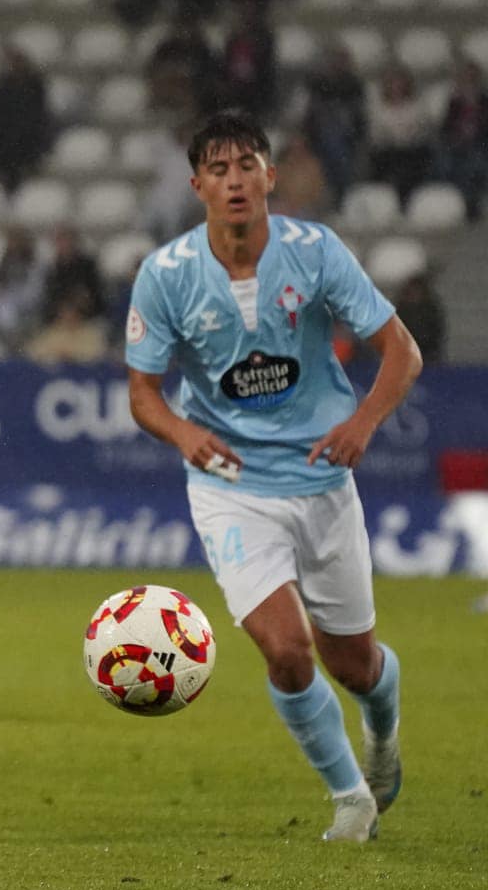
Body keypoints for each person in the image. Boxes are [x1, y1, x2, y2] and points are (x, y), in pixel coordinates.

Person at [125, 111, 422, 843]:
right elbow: (142, 395)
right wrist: (185, 433)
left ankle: (382, 731)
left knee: (353, 664)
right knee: (287, 651)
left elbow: (401, 352)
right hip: (232, 487)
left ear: (270, 176)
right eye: (220, 170)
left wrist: (360, 425)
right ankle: (350, 798)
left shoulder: (314, 251)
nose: (235, 181)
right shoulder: (165, 275)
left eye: (247, 165)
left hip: (321, 480)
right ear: (197, 185)